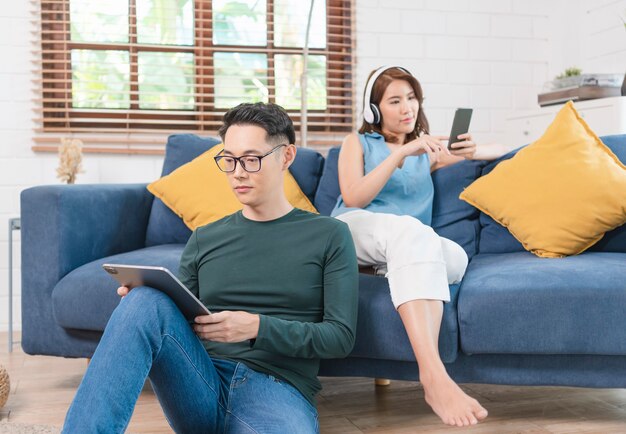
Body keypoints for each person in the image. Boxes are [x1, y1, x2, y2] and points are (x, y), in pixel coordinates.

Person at [62, 102, 359, 433]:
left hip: (278, 391)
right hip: (200, 380)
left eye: (251, 159)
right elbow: (176, 322)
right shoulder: (206, 237)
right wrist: (145, 303)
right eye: (229, 160)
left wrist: (257, 327)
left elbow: (340, 337)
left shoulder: (329, 234)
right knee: (144, 301)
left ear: (286, 157)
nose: (238, 173)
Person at [332, 65, 508, 428]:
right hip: (352, 230)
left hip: (406, 243)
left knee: (455, 259)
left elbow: (505, 150)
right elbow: (354, 195)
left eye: (411, 98)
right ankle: (433, 375)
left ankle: (389, 268)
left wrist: (474, 149)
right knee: (413, 232)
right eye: (394, 100)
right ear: (374, 110)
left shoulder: (428, 150)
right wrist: (400, 154)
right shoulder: (359, 143)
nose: (407, 107)